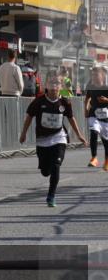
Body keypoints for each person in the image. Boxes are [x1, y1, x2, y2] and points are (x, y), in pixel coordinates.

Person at [19, 72, 86, 207]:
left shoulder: (65, 102)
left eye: (57, 83)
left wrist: (79, 135)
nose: (54, 86)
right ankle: (46, 170)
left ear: (61, 86)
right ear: (46, 86)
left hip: (59, 137)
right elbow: (29, 117)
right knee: (45, 171)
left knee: (56, 166)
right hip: (42, 140)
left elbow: (71, 118)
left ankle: (51, 196)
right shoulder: (39, 101)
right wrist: (23, 133)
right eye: (51, 83)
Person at [84, 65, 108, 169]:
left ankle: (107, 160)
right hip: (94, 113)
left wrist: (106, 100)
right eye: (92, 74)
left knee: (105, 140)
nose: (94, 76)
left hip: (106, 115)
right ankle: (94, 158)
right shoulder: (90, 84)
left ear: (102, 75)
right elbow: (87, 98)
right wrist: (86, 109)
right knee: (93, 132)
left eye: (96, 74)